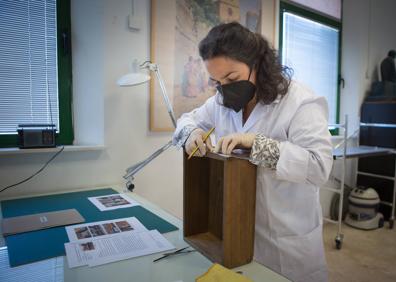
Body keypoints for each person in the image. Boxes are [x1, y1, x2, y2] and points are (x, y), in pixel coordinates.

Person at [172, 22, 333, 282]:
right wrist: (190, 134)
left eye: (232, 78)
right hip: (234, 237)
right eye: (217, 81)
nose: (224, 87)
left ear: (257, 64)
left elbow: (319, 167)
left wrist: (260, 145)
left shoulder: (300, 102)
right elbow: (185, 120)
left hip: (286, 242)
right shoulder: (220, 102)